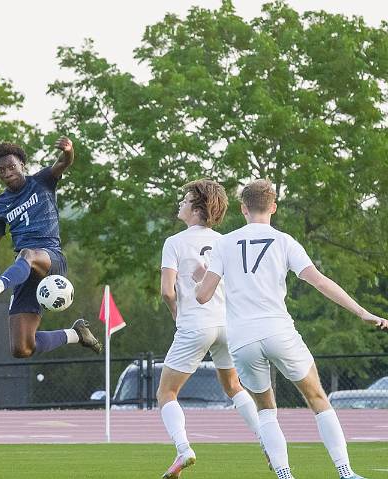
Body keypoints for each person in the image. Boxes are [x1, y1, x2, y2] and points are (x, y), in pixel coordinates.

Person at [194, 179, 388, 479]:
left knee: (266, 411)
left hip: (243, 339)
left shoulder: (223, 243)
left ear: (243, 208)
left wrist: (200, 276)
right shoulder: (284, 241)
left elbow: (203, 296)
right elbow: (320, 281)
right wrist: (362, 312)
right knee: (318, 399)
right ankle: (345, 472)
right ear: (273, 207)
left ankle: (285, 475)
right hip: (278, 331)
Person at [0, 137, 102, 358]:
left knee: (28, 254)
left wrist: (69, 151)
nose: (6, 173)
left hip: (51, 260)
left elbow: (64, 162)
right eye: (0, 170)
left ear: (22, 165)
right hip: (23, 272)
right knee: (22, 348)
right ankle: (76, 334)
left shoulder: (41, 181)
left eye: (11, 167)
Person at [158, 179, 263, 479]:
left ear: (195, 206)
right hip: (227, 324)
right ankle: (266, 439)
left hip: (196, 324)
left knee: (167, 392)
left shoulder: (174, 242)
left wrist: (178, 313)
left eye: (184, 198)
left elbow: (167, 291)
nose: (180, 202)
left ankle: (183, 449)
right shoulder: (225, 241)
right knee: (233, 387)